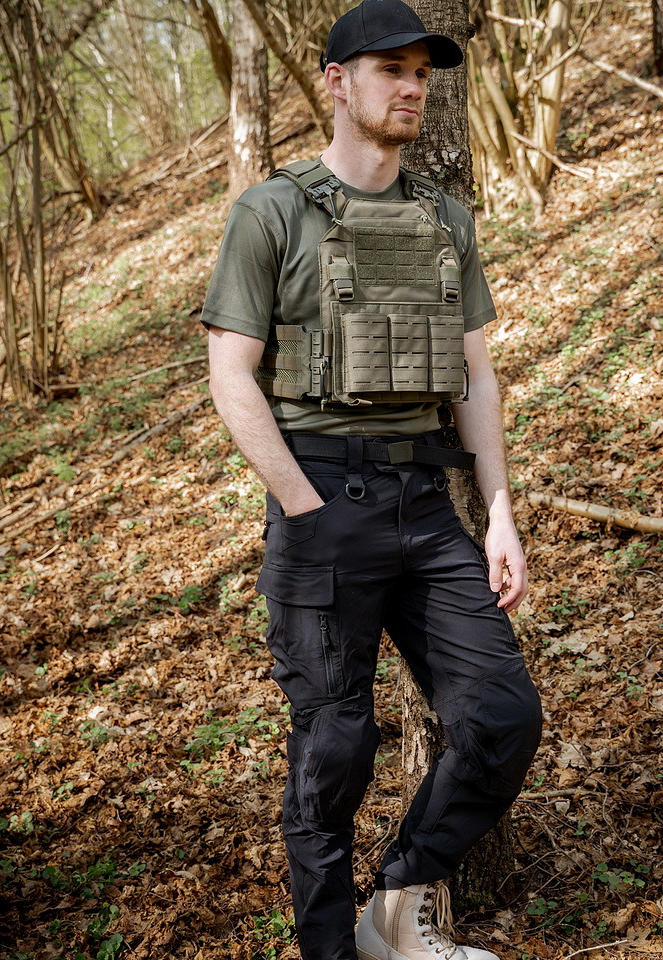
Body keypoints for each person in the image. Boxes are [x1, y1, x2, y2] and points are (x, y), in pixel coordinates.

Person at [204, 1, 542, 957]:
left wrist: (500, 514)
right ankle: (327, 948)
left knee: (502, 716)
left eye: (422, 73)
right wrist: (301, 505)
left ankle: (397, 906)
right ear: (337, 81)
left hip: (427, 509)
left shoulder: (445, 220)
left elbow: (476, 375)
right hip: (321, 500)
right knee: (335, 749)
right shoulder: (271, 212)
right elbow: (230, 374)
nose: (412, 88)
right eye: (391, 69)